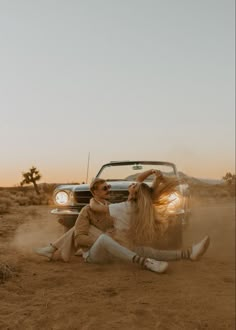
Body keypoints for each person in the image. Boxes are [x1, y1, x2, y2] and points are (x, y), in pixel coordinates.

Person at [35, 171, 210, 273]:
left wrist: (92, 197)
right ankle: (189, 253)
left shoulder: (122, 208)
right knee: (153, 251)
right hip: (126, 244)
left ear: (133, 194)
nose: (131, 185)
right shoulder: (144, 206)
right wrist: (154, 175)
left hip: (102, 253)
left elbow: (95, 208)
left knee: (90, 223)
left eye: (132, 187)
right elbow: (142, 184)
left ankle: (143, 262)